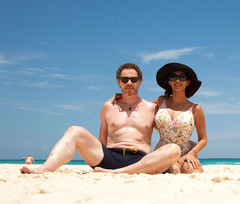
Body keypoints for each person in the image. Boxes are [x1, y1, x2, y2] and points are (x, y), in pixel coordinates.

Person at [20, 63, 181, 174]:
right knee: (75, 130)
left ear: (140, 82)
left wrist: (189, 153)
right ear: (118, 82)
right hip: (109, 157)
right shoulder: (108, 106)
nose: (129, 83)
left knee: (174, 149)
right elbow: (101, 140)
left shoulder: (152, 108)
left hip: (139, 160)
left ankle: (118, 173)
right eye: (124, 80)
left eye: (133, 79)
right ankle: (44, 169)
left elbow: (169, 133)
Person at [98, 62, 207, 174]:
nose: (177, 80)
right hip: (162, 153)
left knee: (195, 171)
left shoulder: (196, 109)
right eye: (173, 77)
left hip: (186, 152)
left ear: (188, 82)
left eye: (182, 77)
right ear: (169, 82)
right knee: (171, 170)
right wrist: (123, 96)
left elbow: (203, 139)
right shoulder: (160, 101)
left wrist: (192, 153)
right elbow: (140, 108)